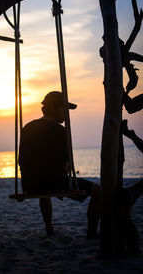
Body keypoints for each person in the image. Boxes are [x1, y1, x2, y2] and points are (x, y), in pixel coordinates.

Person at [19, 91, 100, 238]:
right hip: (53, 183)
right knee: (98, 191)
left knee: (44, 187)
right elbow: (66, 165)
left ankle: (49, 229)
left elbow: (22, 160)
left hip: (30, 184)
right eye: (64, 109)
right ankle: (92, 233)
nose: (66, 114)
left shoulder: (27, 127)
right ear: (52, 107)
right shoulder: (60, 131)